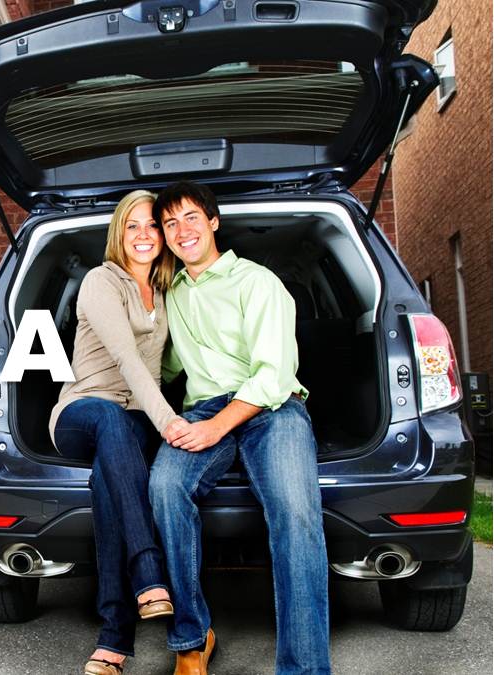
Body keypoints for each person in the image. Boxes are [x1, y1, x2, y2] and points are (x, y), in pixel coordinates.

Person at [148, 181, 330, 675]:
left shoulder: (258, 282)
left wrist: (216, 429)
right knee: (164, 486)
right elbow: (161, 368)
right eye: (170, 224)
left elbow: (273, 372)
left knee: (296, 515)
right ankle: (192, 638)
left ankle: (305, 669)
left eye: (191, 218)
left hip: (272, 409)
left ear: (213, 222)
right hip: (204, 409)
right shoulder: (172, 295)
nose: (181, 230)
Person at [49, 189, 186, 675]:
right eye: (132, 225)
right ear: (118, 233)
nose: (144, 234)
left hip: (133, 422)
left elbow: (174, 362)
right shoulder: (100, 281)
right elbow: (129, 360)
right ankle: (149, 572)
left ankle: (113, 640)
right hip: (83, 410)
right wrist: (168, 420)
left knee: (110, 481)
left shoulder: (172, 290)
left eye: (152, 225)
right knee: (111, 423)